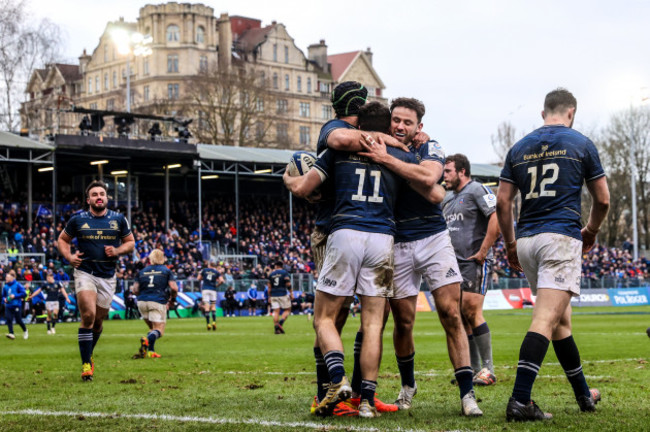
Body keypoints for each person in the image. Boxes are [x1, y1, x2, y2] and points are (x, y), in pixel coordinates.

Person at [284, 101, 444, 418]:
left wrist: (288, 180)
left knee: (324, 318)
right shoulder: (398, 156)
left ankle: (337, 379)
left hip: (346, 234)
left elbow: (304, 188)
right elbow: (435, 193)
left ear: (358, 127)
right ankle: (367, 403)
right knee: (372, 324)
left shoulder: (338, 152)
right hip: (383, 240)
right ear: (387, 127)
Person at [356, 98, 482, 416]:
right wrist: (390, 154)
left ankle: (467, 396)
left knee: (451, 313)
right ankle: (408, 385)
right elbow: (433, 190)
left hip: (433, 237)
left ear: (419, 128)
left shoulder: (431, 147)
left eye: (407, 123)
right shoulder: (378, 144)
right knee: (404, 322)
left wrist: (388, 159)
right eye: (395, 121)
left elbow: (431, 179)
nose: (399, 126)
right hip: (395, 242)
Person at [496, 88, 609, 421]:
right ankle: (520, 401)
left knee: (561, 321)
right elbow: (602, 200)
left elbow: (503, 201)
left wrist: (510, 243)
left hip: (528, 240)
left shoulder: (519, 147)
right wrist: (590, 231)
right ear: (571, 112)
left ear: (543, 112)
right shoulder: (580, 143)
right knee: (545, 319)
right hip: (559, 238)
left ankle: (584, 396)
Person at [57, 180, 135, 381]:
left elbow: (130, 243)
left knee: (99, 321)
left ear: (107, 198)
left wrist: (117, 250)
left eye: (102, 193)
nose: (99, 197)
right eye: (94, 194)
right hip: (85, 272)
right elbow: (62, 240)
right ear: (88, 199)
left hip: (108, 276)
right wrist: (69, 257)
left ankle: (88, 353)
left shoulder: (118, 219)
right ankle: (86, 365)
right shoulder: (77, 219)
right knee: (89, 315)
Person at [442, 153, 500, 386]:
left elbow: (496, 218)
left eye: (448, 171)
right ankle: (473, 370)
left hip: (475, 260)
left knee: (471, 310)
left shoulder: (478, 190)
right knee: (461, 316)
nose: (444, 175)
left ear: (462, 171)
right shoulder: (448, 199)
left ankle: (488, 369)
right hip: (454, 265)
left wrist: (484, 251)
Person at [132, 249, 178, 358]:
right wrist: (172, 300)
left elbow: (135, 290)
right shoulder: (166, 271)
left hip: (142, 302)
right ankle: (146, 340)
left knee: (152, 329)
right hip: (157, 301)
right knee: (159, 330)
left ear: (150, 259)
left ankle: (151, 351)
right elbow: (174, 288)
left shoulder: (142, 271)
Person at [2, 270, 28, 340]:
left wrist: (15, 296)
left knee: (18, 320)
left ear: (12, 277)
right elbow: (3, 295)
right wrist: (4, 299)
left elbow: (24, 294)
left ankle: (25, 330)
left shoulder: (17, 285)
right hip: (8, 305)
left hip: (17, 305)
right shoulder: (5, 286)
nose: (6, 279)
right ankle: (11, 333)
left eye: (7, 277)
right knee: (9, 319)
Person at [268, 261, 292, 334]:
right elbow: (288, 284)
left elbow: (269, 287)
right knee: (287, 310)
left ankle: (276, 329)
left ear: (276, 266)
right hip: (282, 294)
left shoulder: (271, 274)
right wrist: (291, 293)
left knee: (276, 312)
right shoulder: (284, 273)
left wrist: (269, 296)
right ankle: (280, 323)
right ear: (282, 266)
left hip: (273, 295)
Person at [197, 261, 222, 329]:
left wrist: (203, 278)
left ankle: (208, 324)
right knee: (213, 306)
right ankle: (214, 322)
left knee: (207, 306)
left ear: (209, 265)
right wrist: (217, 285)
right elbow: (222, 280)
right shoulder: (216, 272)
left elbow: (198, 278)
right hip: (213, 289)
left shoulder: (204, 270)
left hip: (205, 289)